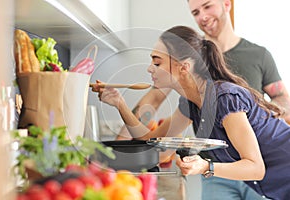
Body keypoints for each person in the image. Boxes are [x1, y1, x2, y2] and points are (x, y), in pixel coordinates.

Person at [116, 0, 290, 199]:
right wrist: (119, 103)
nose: (149, 69)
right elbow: (154, 144)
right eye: (196, 12)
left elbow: (255, 168)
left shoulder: (225, 98)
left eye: (157, 62)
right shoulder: (190, 104)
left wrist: (205, 166)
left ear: (184, 67)